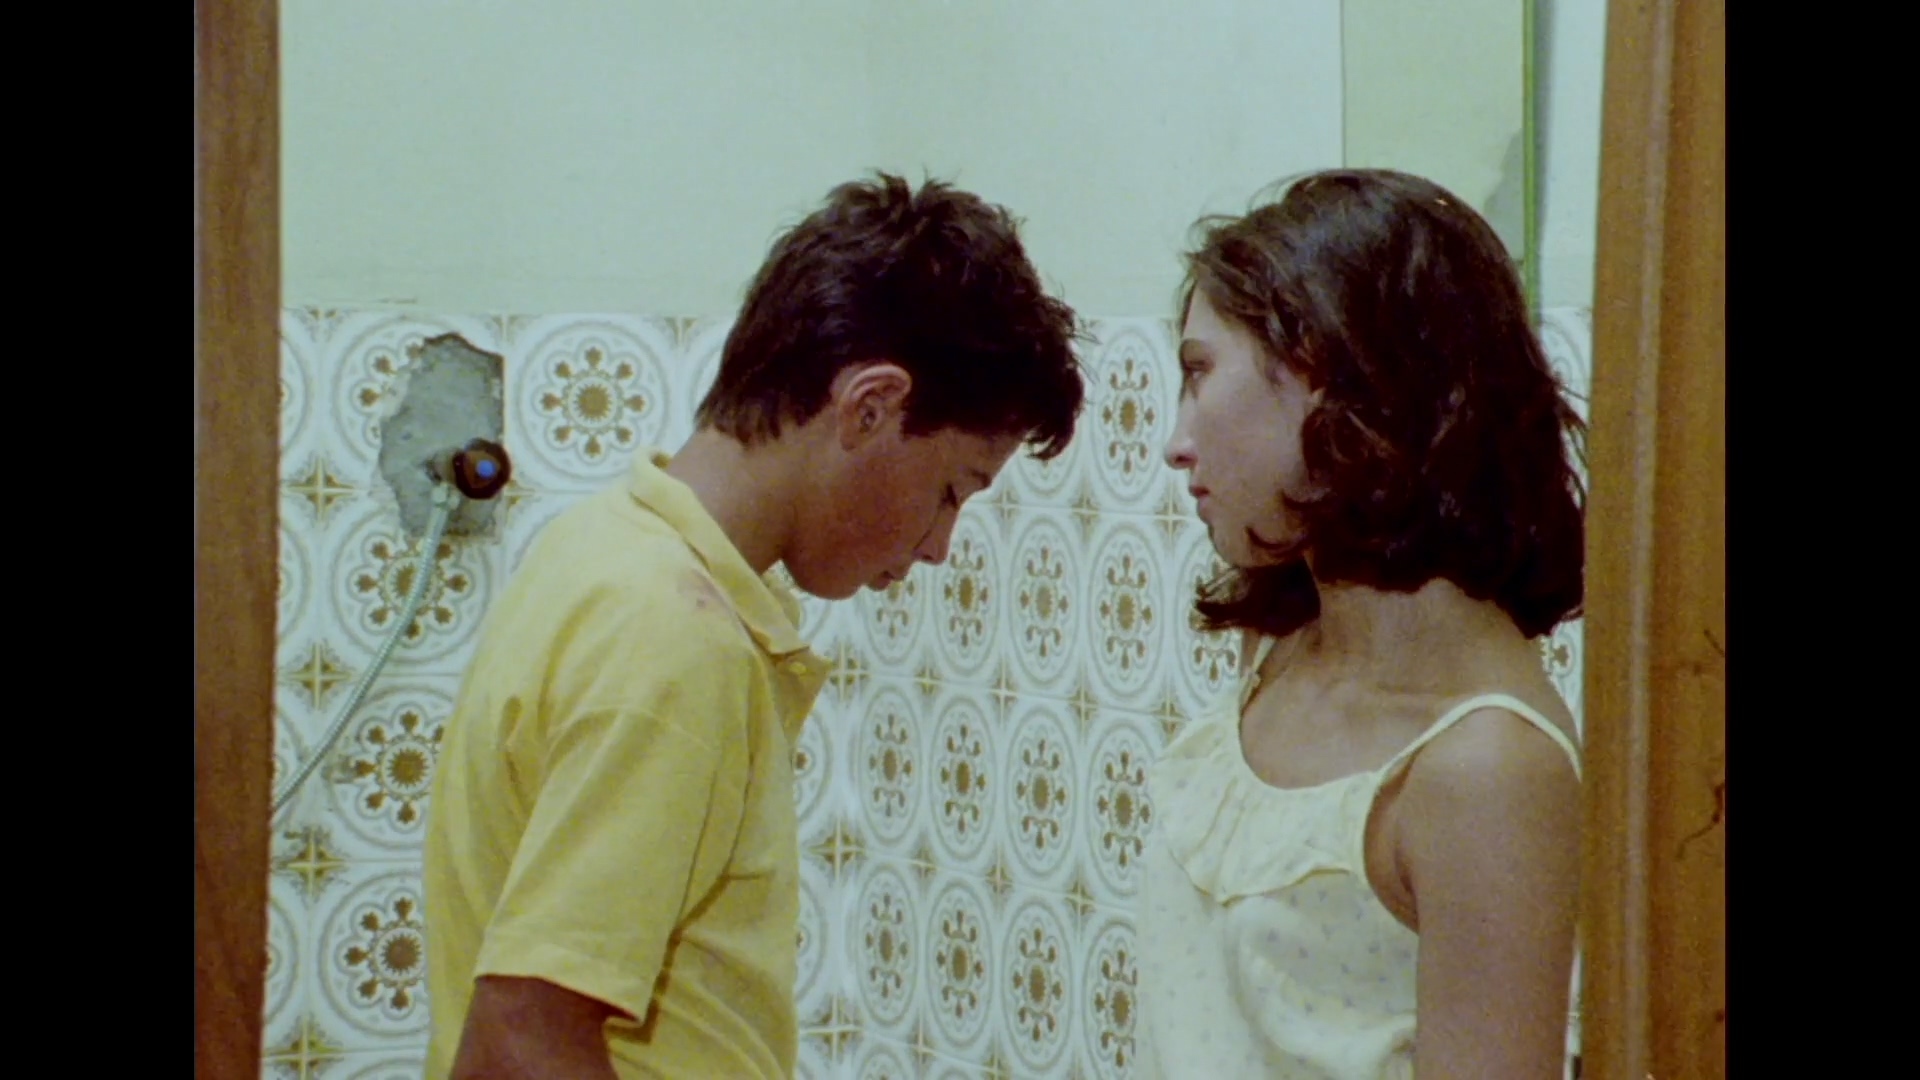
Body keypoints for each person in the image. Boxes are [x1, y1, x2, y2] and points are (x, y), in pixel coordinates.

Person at [421, 173, 1087, 1080]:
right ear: (870, 406)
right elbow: (519, 1042)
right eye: (951, 490)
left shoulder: (601, 547)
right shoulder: (676, 637)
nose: (939, 547)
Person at [1138, 168, 1585, 1079]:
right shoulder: (1282, 652)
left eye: (1200, 372)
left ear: (1329, 373)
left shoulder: (1489, 766)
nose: (1176, 443)